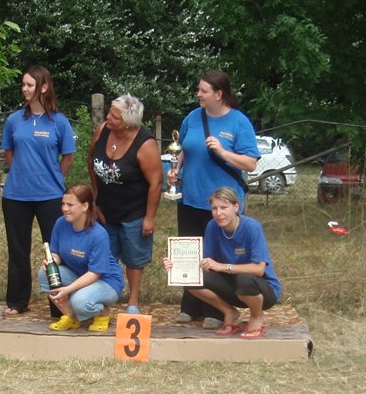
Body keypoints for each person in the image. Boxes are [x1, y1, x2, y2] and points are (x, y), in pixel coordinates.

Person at [167, 70, 260, 327]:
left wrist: (222, 152)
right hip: (190, 198)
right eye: (198, 89)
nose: (198, 94)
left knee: (216, 254)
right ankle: (190, 305)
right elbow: (182, 150)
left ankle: (217, 310)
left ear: (219, 94)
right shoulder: (192, 118)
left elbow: (250, 163)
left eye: (203, 91)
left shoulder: (239, 122)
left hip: (221, 205)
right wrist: (174, 171)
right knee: (189, 252)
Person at [0, 66, 76, 316]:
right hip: (15, 196)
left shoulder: (59, 121)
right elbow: (9, 152)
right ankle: (17, 302)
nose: (24, 89)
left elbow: (68, 156)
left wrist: (53, 177)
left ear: (43, 88)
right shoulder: (14, 120)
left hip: (50, 196)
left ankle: (58, 306)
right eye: (23, 84)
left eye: (29, 85)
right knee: (18, 250)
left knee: (54, 252)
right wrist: (21, 173)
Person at [163, 187, 280, 339]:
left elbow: (259, 269)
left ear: (236, 207)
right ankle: (229, 312)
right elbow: (205, 264)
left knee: (244, 279)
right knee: (191, 278)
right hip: (233, 287)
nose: (218, 213)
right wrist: (177, 266)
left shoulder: (252, 227)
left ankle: (256, 316)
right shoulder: (212, 226)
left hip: (263, 290)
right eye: (214, 208)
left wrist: (223, 267)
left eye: (224, 208)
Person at [89, 93, 162, 314]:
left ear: (128, 123)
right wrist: (95, 199)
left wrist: (149, 217)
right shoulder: (102, 131)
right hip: (105, 210)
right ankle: (104, 299)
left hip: (134, 212)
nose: (108, 118)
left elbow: (156, 183)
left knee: (134, 259)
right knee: (104, 256)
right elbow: (91, 162)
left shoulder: (145, 145)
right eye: (110, 113)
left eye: (115, 117)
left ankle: (133, 302)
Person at [37, 184, 124, 332]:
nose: (65, 208)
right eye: (63, 204)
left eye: (70, 205)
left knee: (79, 301)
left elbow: (95, 273)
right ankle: (72, 317)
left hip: (107, 281)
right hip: (80, 275)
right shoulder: (60, 223)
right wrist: (53, 261)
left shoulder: (99, 234)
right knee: (45, 273)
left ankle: (104, 312)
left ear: (85, 206)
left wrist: (68, 290)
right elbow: (56, 253)